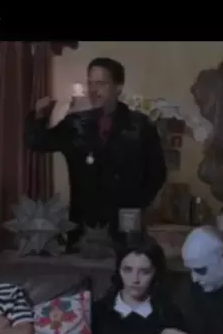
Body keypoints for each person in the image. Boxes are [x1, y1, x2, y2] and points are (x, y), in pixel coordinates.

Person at [24, 57, 167, 247]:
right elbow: (38, 143)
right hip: (83, 225)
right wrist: (39, 116)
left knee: (127, 263)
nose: (93, 90)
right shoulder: (75, 124)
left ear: (118, 87)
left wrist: (135, 204)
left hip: (125, 225)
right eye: (90, 83)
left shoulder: (140, 126)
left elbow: (157, 172)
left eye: (101, 83)